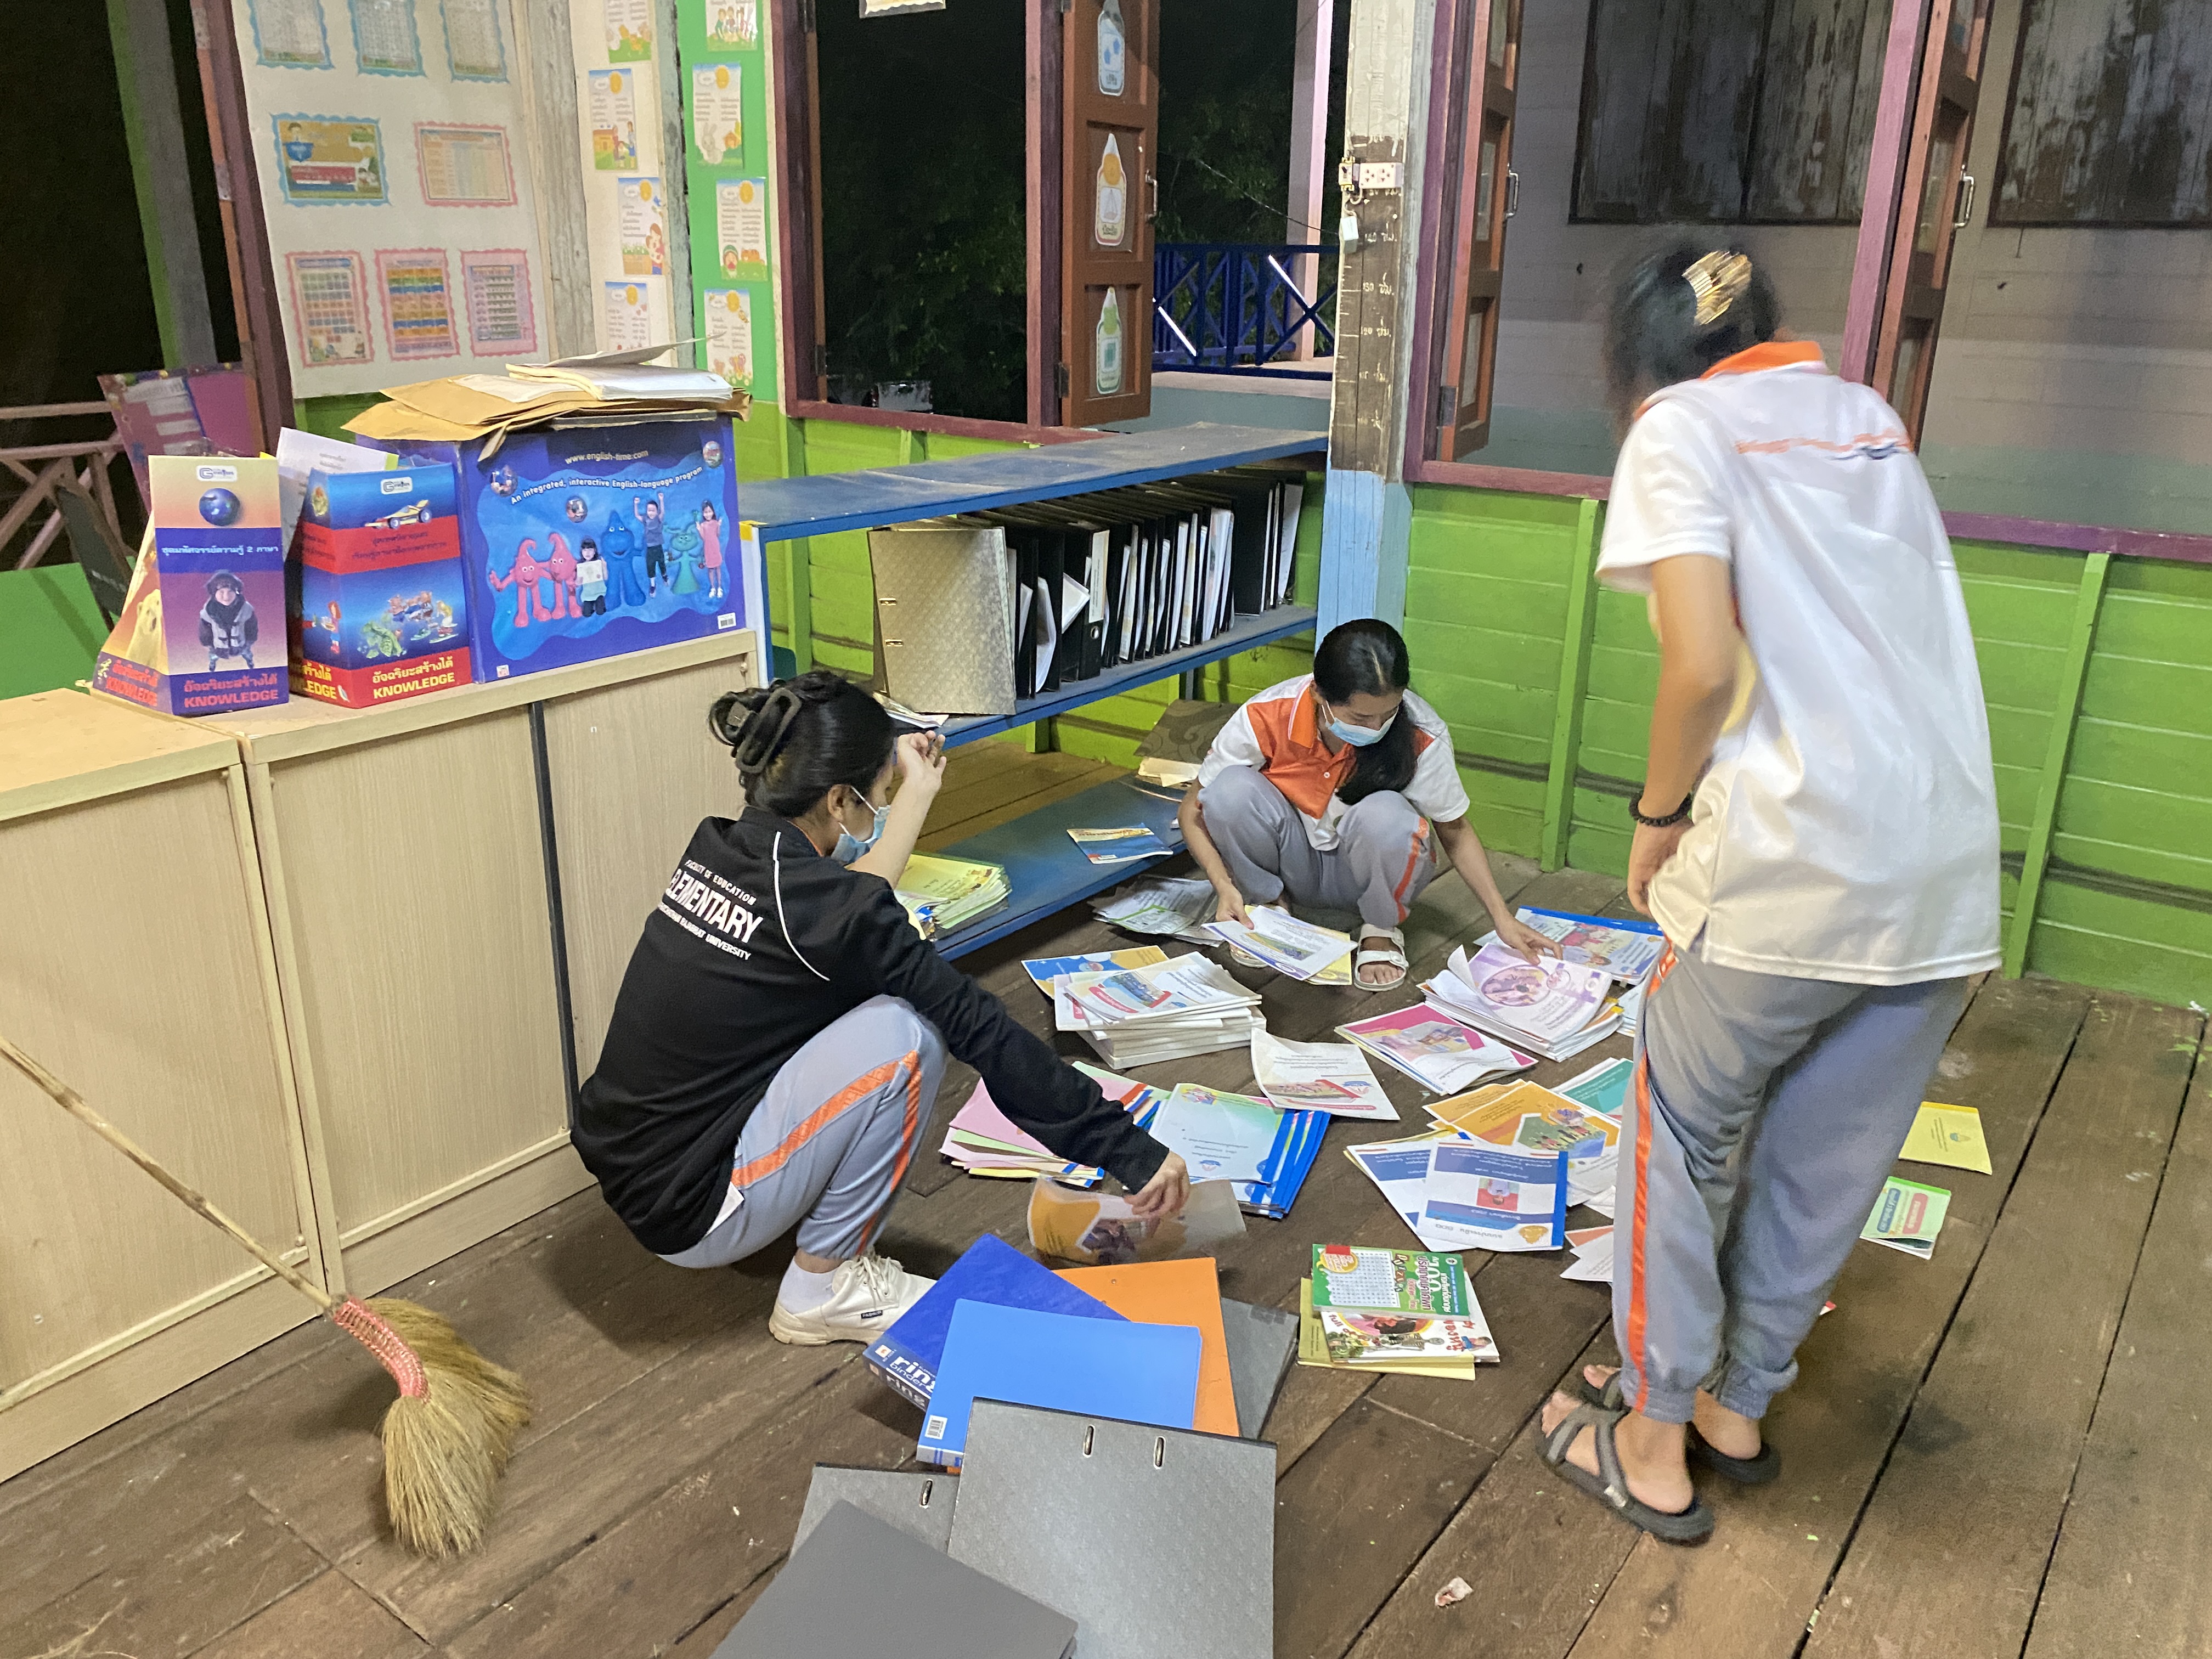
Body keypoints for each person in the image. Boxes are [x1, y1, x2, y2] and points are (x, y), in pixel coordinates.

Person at [1536, 244, 2001, 1542]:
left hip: (1789, 861)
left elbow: (1699, 667)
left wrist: (1658, 817)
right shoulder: (1869, 420)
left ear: (1638, 366)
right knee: (1823, 1158)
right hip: (1942, 870)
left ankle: (1652, 1440)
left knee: (1676, 1131)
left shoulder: (1677, 428)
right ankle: (1737, 1405)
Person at [575, 672, 1189, 1345]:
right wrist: (1127, 1149)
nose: (881, 808)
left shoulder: (724, 850)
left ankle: (784, 1222)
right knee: (909, 1034)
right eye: (879, 794)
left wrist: (916, 793)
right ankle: (822, 1289)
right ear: (840, 800)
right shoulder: (828, 913)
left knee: (866, 1008)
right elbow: (980, 1028)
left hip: (641, 1166)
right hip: (690, 1212)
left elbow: (851, 906)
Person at [1180, 618, 1553, 988]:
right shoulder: (1266, 714)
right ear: (1318, 694)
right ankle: (1269, 907)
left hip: (1363, 877)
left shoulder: (1422, 731)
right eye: (1360, 717)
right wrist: (1224, 885)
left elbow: (1454, 829)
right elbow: (1190, 813)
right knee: (1229, 791)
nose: (1376, 729)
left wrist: (1502, 918)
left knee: (1387, 815)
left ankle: (1380, 928)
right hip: (1291, 864)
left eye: (1388, 714)